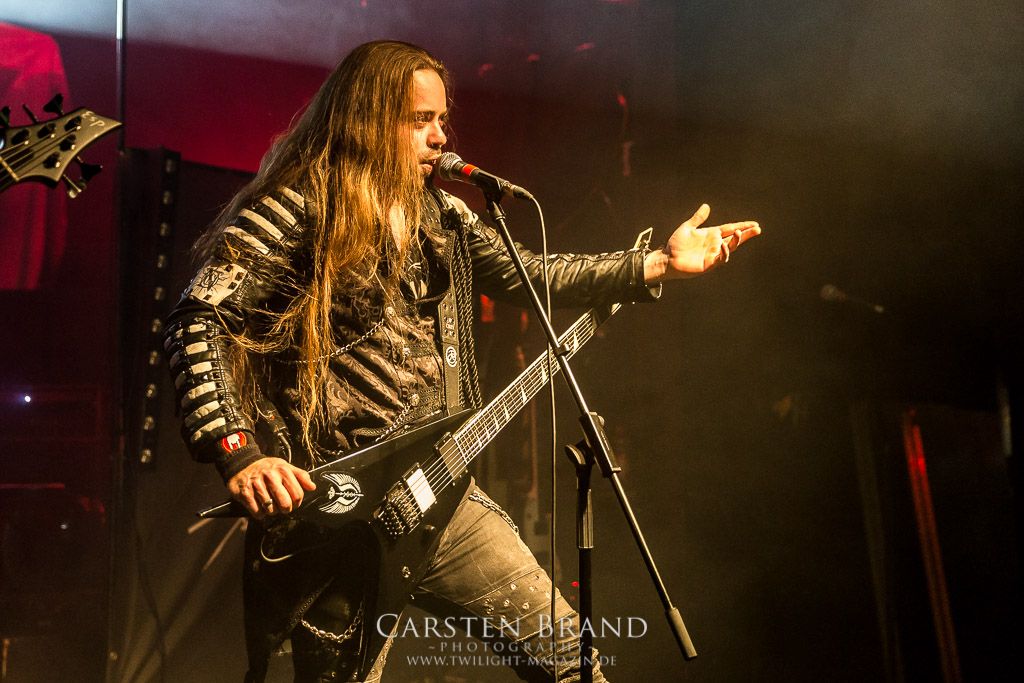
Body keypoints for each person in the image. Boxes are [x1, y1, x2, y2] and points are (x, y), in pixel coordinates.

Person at [164, 40, 759, 683]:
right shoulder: (297, 208)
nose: (441, 137)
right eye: (421, 120)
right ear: (368, 120)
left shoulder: (444, 215)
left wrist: (657, 264)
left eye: (442, 119)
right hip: (335, 512)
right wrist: (239, 453)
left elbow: (533, 275)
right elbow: (198, 319)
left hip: (439, 496)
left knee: (572, 663)